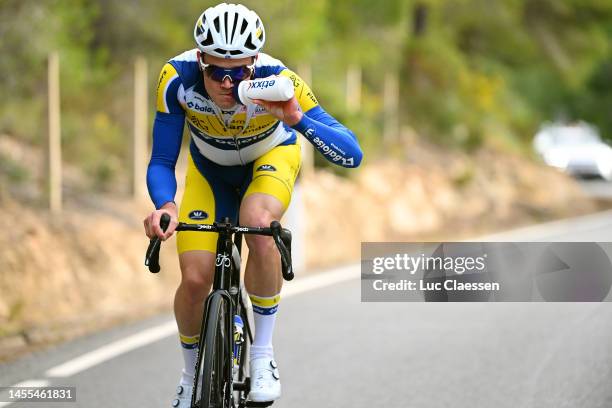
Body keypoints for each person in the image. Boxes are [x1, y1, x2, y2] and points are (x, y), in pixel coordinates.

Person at [143, 3, 362, 407]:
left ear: (255, 63)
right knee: (194, 280)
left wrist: (298, 120)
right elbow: (161, 160)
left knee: (258, 224)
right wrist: (166, 205)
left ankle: (263, 354)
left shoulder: (279, 80)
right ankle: (190, 377)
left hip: (270, 160)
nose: (227, 83)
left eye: (239, 72)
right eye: (216, 72)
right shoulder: (175, 78)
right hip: (209, 172)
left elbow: (352, 154)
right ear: (200, 60)